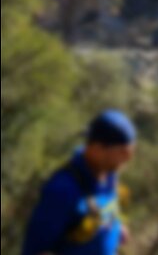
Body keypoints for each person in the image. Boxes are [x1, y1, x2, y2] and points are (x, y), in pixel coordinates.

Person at [22, 109, 136, 255]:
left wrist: (116, 228)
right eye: (123, 153)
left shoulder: (109, 175)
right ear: (97, 149)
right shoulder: (63, 190)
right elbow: (36, 249)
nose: (127, 159)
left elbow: (105, 209)